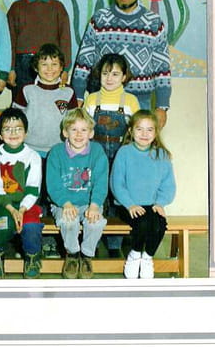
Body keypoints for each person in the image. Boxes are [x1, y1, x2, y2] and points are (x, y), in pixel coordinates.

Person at [71, 0, 171, 128]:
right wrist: (78, 96)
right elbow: (84, 61)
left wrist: (162, 106)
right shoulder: (99, 19)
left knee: (138, 142)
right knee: (99, 142)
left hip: (140, 100)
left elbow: (162, 67)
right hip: (102, 98)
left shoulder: (154, 23)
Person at [82, 53, 141, 257]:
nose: (109, 78)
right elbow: (84, 128)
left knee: (117, 196)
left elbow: (136, 131)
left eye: (115, 74)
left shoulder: (131, 101)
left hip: (121, 155)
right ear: (99, 75)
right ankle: (93, 242)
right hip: (95, 155)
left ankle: (115, 244)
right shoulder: (91, 99)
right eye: (105, 73)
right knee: (96, 195)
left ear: (124, 77)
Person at [111, 110, 176, 279]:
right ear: (131, 131)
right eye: (139, 129)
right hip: (127, 205)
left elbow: (168, 184)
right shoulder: (124, 152)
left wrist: (160, 203)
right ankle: (134, 254)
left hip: (152, 205)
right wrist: (129, 204)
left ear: (156, 132)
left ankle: (147, 257)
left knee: (159, 224)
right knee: (143, 223)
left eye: (149, 129)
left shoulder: (161, 155)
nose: (144, 134)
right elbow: (117, 183)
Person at [46, 108, 109, 279]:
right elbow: (53, 184)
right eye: (74, 129)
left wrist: (94, 205)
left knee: (96, 223)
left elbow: (101, 182)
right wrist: (65, 203)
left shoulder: (97, 152)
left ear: (91, 133)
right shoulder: (56, 153)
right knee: (68, 221)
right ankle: (72, 255)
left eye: (83, 130)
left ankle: (87, 255)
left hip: (90, 203)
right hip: (64, 203)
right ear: (65, 132)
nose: (79, 134)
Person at [0, 108, 43, 279]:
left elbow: (33, 188)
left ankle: (32, 257)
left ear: (26, 132)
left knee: (31, 227)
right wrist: (12, 209)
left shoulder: (33, 156)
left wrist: (22, 209)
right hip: (3, 203)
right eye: (7, 129)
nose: (13, 133)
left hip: (27, 203)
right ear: (0, 134)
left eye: (18, 128)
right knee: (4, 225)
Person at [6, 0, 72, 100]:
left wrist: (65, 69)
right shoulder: (17, 8)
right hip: (23, 64)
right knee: (22, 102)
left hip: (50, 64)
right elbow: (9, 41)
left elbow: (65, 40)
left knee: (48, 101)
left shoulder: (58, 8)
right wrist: (10, 69)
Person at [13, 43, 77, 157]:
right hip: (29, 149)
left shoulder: (68, 92)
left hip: (60, 150)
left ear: (61, 67)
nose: (49, 69)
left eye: (54, 64)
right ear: (36, 67)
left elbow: (74, 122)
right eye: (44, 64)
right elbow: (15, 119)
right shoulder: (26, 90)